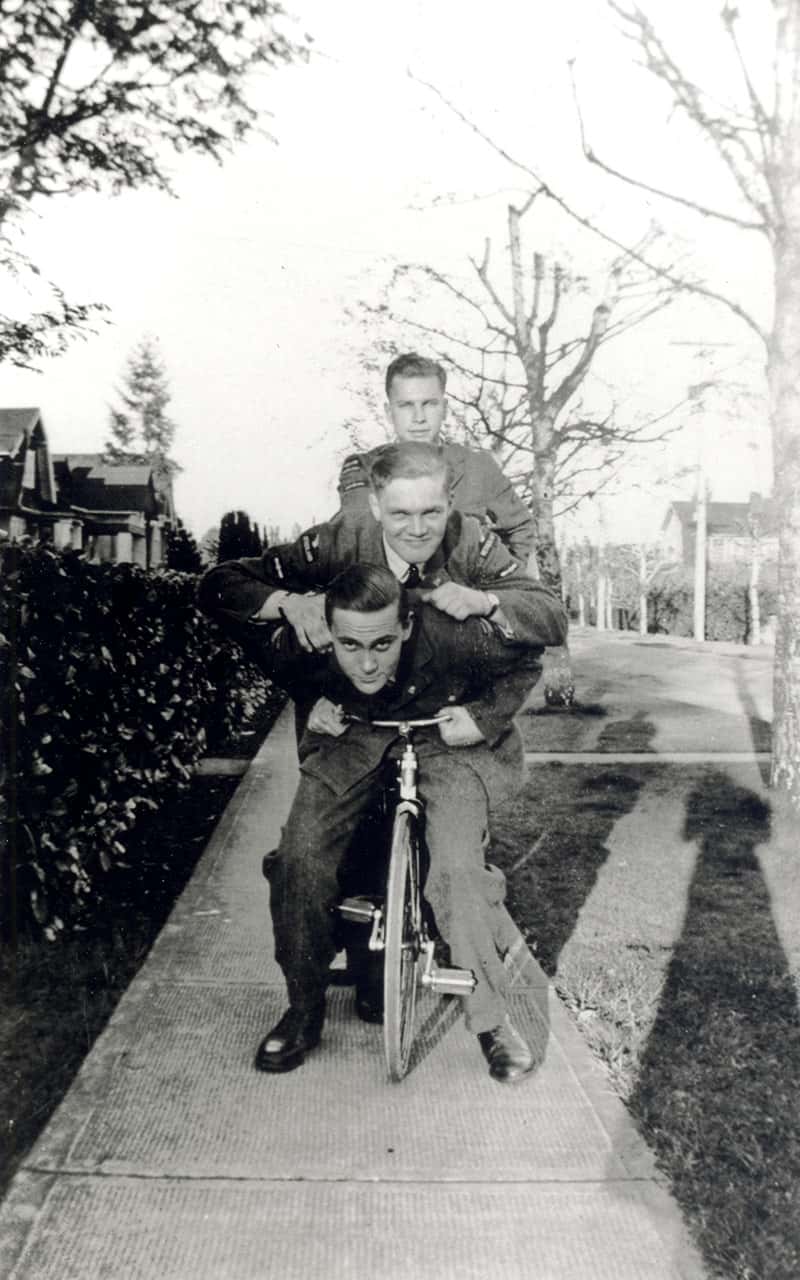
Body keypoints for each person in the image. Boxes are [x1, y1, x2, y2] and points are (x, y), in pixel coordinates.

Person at [239, 562, 567, 1082]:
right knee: (298, 858)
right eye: (350, 646)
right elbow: (266, 654)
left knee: (460, 868)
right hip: (352, 740)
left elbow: (527, 662)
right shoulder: (306, 637)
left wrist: (481, 718)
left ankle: (490, 1019)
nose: (367, 665)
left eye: (383, 644)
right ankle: (303, 1009)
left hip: (443, 741)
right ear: (328, 631)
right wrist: (311, 699)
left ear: (408, 627)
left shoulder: (455, 634)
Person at [199, 441, 542, 666]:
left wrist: (489, 598)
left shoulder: (461, 558)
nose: (414, 528)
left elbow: (521, 653)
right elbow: (220, 584)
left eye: (428, 512)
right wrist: (292, 604)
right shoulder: (334, 550)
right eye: (398, 512)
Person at [336, 352, 535, 565]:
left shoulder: (476, 467)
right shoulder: (365, 468)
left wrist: (501, 584)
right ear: (389, 412)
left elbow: (521, 527)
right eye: (406, 405)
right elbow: (355, 536)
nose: (419, 418)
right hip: (389, 594)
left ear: (445, 409)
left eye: (429, 404)